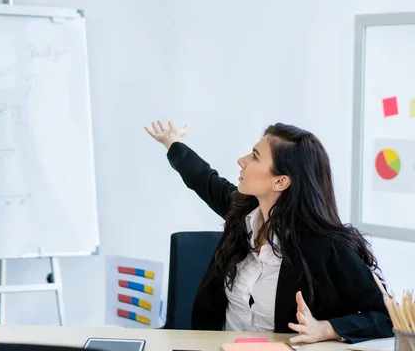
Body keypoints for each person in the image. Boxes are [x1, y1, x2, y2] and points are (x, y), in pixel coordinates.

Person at [145, 120, 393, 344]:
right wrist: (172, 143)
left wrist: (325, 329)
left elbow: (388, 316)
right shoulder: (241, 213)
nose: (242, 160)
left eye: (254, 156)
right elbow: (203, 178)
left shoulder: (327, 245)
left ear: (280, 182)